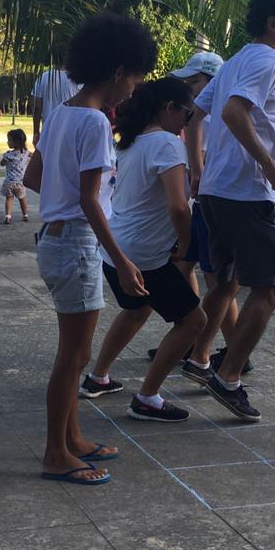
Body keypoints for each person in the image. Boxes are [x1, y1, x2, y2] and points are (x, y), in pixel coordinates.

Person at [23, 10, 159, 484]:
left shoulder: (62, 112)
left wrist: (61, 201)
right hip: (77, 243)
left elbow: (33, 177)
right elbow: (88, 199)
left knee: (75, 353)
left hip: (54, 239)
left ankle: (73, 438)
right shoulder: (97, 123)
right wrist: (121, 260)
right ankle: (55, 453)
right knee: (74, 357)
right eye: (136, 77)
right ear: (118, 71)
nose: (135, 89)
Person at [188, 0, 275, 421]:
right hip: (245, 191)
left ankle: (198, 357)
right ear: (273, 23)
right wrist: (268, 164)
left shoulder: (235, 60)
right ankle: (229, 377)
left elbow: (195, 114)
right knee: (269, 291)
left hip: (217, 190)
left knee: (226, 284)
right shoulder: (269, 60)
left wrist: (198, 168)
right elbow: (234, 113)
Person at [86, 78, 207, 423]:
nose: (187, 123)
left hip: (117, 249)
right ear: (169, 108)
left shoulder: (132, 141)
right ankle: (147, 397)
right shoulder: (167, 144)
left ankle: (98, 376)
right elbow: (179, 206)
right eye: (187, 115)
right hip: (144, 254)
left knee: (137, 309)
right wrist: (186, 243)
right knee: (194, 321)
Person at [147, 50, 245, 370]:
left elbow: (198, 163)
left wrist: (195, 175)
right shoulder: (203, 115)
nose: (188, 89)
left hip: (211, 205)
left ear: (213, 82)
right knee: (200, 273)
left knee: (218, 282)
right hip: (205, 204)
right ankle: (207, 342)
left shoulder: (210, 118)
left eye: (194, 82)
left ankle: (224, 349)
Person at [31, 65, 80, 147]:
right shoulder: (77, 80)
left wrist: (36, 132)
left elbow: (37, 107)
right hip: (70, 131)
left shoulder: (43, 77)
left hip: (48, 131)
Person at [0, 128, 31, 224]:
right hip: (20, 182)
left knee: (9, 198)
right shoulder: (26, 153)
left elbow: (1, 164)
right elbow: (33, 156)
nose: (7, 142)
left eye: (9, 140)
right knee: (22, 198)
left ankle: (8, 217)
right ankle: (25, 215)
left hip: (9, 182)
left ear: (16, 142)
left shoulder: (8, 155)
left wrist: (5, 159)